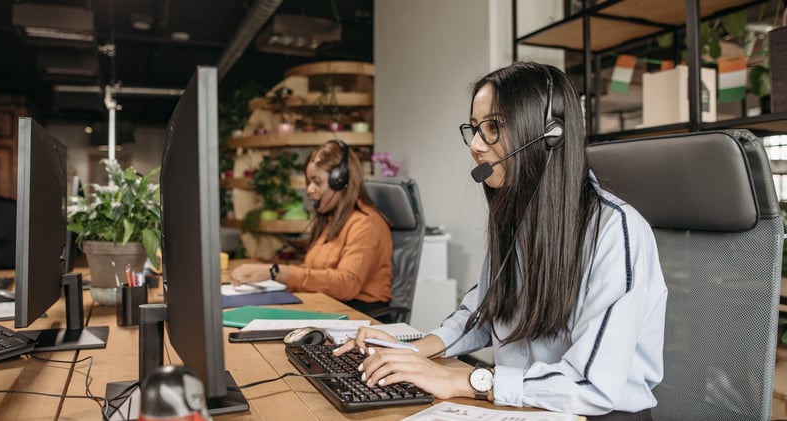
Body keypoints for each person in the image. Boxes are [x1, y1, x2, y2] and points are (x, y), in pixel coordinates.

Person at [334, 62, 667, 420]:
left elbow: (593, 385)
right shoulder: (516, 220)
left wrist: (466, 380)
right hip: (526, 407)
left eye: (493, 127)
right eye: (475, 129)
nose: (476, 146)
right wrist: (412, 350)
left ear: (550, 134)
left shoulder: (615, 232)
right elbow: (482, 313)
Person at [230, 140, 394, 315]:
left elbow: (347, 285)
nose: (309, 189)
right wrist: (270, 272)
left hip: (358, 315)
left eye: (317, 182)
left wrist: (275, 272)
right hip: (327, 306)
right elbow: (315, 272)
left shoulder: (365, 224)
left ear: (340, 181)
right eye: (308, 182)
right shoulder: (332, 221)